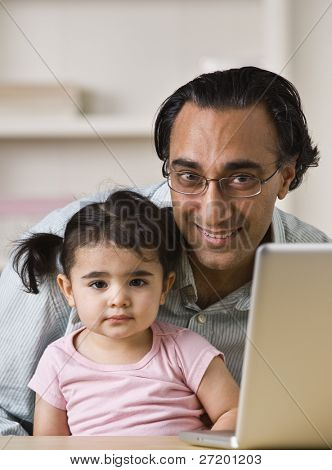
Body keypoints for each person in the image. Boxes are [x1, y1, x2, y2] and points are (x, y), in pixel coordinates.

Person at [0, 66, 330, 436]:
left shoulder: (322, 276)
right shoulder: (71, 247)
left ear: (286, 176)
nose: (212, 209)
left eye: (241, 179)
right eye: (188, 176)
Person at [12, 190, 239, 436]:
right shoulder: (56, 361)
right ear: (68, 290)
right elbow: (48, 450)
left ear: (164, 286)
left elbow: (234, 413)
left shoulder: (186, 348)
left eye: (137, 282)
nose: (119, 300)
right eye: (98, 284)